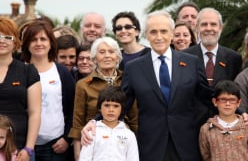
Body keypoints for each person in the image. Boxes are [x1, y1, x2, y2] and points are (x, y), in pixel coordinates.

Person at [81, 11, 212, 161]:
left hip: (186, 144)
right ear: (146, 35)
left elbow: (208, 97)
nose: (159, 37)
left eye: (163, 31)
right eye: (153, 32)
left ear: (172, 33)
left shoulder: (191, 62)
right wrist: (95, 122)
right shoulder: (134, 67)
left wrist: (241, 114)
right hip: (151, 145)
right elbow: (121, 102)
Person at [68, 37, 137, 161]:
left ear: (118, 57)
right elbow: (78, 124)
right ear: (94, 58)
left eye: (111, 52)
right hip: (94, 144)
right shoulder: (83, 84)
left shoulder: (128, 80)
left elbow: (134, 119)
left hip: (123, 143)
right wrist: (78, 155)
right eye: (102, 52)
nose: (107, 56)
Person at [21, 19, 75, 161]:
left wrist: (66, 139)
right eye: (33, 40)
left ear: (51, 43)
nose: (39, 43)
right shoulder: (18, 71)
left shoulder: (62, 72)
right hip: (23, 144)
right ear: (26, 44)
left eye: (43, 39)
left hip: (55, 146)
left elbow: (73, 109)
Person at [184, 7, 243, 125]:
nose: (209, 28)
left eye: (213, 24)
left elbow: (236, 92)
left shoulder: (233, 58)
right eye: (204, 24)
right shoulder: (184, 57)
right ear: (196, 28)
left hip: (224, 127)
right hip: (190, 126)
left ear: (220, 28)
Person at [0, 17, 41, 161]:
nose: (2, 41)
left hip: (19, 149)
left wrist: (29, 148)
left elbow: (35, 112)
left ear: (15, 41)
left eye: (7, 37)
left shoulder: (28, 71)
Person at [199, 80, 248, 161]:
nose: (228, 104)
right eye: (223, 99)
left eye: (232, 100)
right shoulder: (206, 129)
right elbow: (206, 155)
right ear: (215, 102)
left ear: (238, 102)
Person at [79, 86, 139, 161]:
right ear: (99, 107)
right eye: (107, 105)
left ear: (122, 109)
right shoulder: (92, 133)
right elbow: (85, 158)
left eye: (116, 106)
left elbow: (133, 158)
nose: (111, 110)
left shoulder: (129, 135)